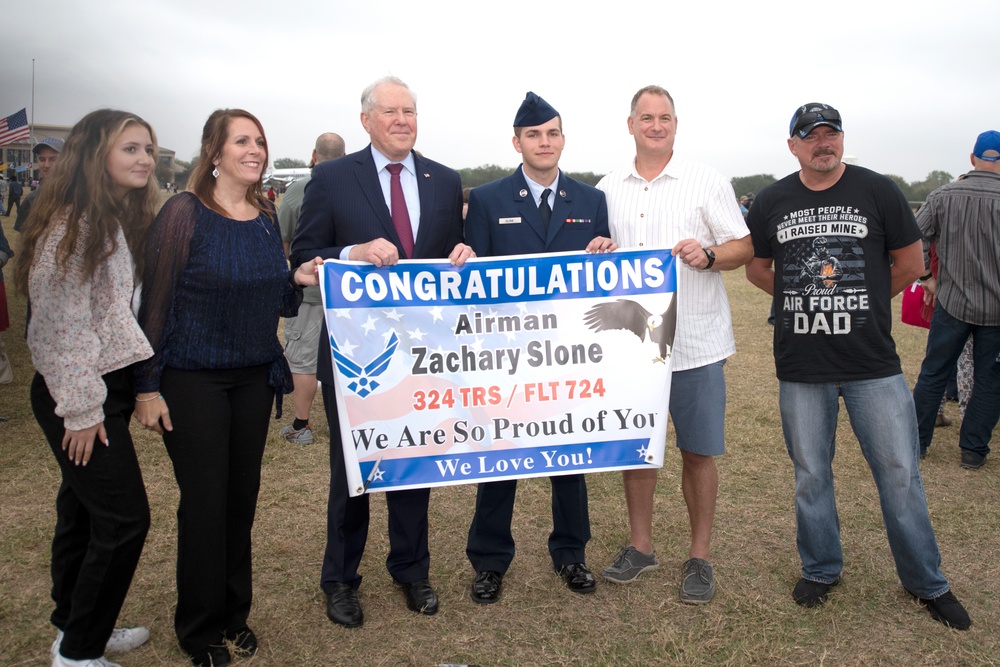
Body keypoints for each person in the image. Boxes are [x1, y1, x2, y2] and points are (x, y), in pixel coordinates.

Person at [744, 103, 971, 629]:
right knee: (810, 475)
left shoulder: (878, 189)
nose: (824, 142)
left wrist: (861, 299)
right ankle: (821, 568)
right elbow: (757, 266)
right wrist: (799, 297)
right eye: (812, 135)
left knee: (899, 474)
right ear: (793, 145)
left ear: (841, 140)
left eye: (832, 133)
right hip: (801, 364)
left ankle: (926, 582)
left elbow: (911, 264)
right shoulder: (774, 199)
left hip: (873, 363)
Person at [133, 109, 322, 666]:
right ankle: (199, 630)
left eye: (260, 141)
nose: (255, 150)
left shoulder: (264, 217)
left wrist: (297, 277)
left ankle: (234, 612)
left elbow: (278, 302)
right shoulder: (183, 213)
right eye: (242, 141)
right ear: (214, 152)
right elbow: (156, 305)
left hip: (253, 378)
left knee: (241, 500)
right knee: (206, 502)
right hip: (192, 381)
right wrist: (146, 387)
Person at [290, 76, 473, 628]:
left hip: (423, 353)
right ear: (366, 119)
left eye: (410, 112)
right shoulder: (332, 178)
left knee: (413, 461)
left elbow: (442, 258)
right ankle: (341, 580)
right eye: (390, 111)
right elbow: (305, 253)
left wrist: (464, 252)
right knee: (354, 468)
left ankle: (412, 570)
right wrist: (353, 251)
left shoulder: (444, 180)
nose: (402, 120)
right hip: (355, 355)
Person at [12, 109, 159, 667]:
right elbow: (56, 327)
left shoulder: (108, 219)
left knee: (82, 512)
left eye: (147, 148)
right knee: (125, 520)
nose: (143, 158)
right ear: (94, 156)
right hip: (77, 393)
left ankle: (74, 622)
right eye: (130, 149)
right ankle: (78, 653)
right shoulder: (75, 226)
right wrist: (81, 410)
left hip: (103, 388)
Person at [596, 85, 751, 604]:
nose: (656, 126)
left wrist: (709, 254)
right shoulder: (607, 187)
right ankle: (641, 545)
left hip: (696, 342)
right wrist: (596, 248)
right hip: (632, 347)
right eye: (647, 117)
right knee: (639, 447)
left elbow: (743, 246)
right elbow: (590, 256)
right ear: (631, 124)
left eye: (665, 118)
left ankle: (699, 556)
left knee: (698, 451)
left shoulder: (706, 180)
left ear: (675, 124)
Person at [464, 92, 617, 604]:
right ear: (517, 142)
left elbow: (604, 279)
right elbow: (474, 278)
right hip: (505, 354)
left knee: (568, 455)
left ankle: (571, 554)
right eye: (534, 135)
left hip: (568, 354)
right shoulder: (486, 199)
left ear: (563, 140)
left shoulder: (591, 201)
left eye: (552, 133)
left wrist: (605, 252)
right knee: (500, 459)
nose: (544, 142)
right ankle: (489, 561)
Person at [911, 129, 1000, 469]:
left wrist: (927, 279)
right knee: (990, 380)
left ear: (973, 158)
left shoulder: (943, 195)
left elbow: (913, 237)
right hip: (995, 308)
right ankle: (974, 451)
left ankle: (916, 443)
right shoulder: (943, 195)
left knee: (934, 372)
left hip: (952, 301)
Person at [278, 132, 346, 445]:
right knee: (346, 360)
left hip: (309, 293)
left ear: (313, 156)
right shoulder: (359, 188)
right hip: (348, 295)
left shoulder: (296, 191)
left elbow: (285, 241)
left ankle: (301, 425)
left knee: (303, 361)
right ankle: (342, 423)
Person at [15, 136, 64, 232]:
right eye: (42, 159)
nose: (46, 165)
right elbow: (24, 240)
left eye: (53, 159)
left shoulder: (79, 197)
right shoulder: (31, 200)